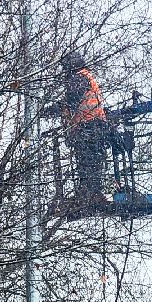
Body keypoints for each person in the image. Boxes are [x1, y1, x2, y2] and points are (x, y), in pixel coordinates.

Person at [48, 51, 111, 212]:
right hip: (94, 126)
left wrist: (49, 110)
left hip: (90, 126)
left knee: (87, 162)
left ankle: (89, 193)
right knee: (91, 162)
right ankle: (91, 193)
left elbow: (71, 100)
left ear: (70, 65)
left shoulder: (79, 78)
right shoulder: (85, 76)